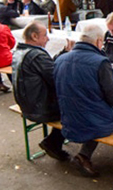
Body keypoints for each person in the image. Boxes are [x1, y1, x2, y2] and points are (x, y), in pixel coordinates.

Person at [56, 24, 113, 177]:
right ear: (98, 42)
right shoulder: (100, 62)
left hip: (68, 118)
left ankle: (84, 155)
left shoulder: (60, 59)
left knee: (94, 111)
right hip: (92, 121)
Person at [12, 22, 73, 161]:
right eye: (45, 35)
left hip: (27, 104)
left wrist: (63, 53)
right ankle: (53, 142)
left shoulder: (20, 51)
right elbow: (57, 79)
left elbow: (48, 67)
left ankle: (54, 140)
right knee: (75, 105)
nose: (48, 39)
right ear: (34, 36)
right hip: (39, 108)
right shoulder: (36, 55)